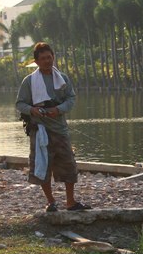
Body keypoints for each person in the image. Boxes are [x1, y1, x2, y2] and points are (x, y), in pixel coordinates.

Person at [15, 42, 91, 212]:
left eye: (49, 57)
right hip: (40, 130)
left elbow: (71, 99)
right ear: (36, 61)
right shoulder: (29, 81)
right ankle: (50, 201)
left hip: (60, 130)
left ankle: (70, 202)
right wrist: (33, 110)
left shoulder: (62, 78)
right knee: (42, 166)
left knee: (69, 166)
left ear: (53, 57)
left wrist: (58, 110)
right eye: (43, 59)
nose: (47, 61)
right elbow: (20, 103)